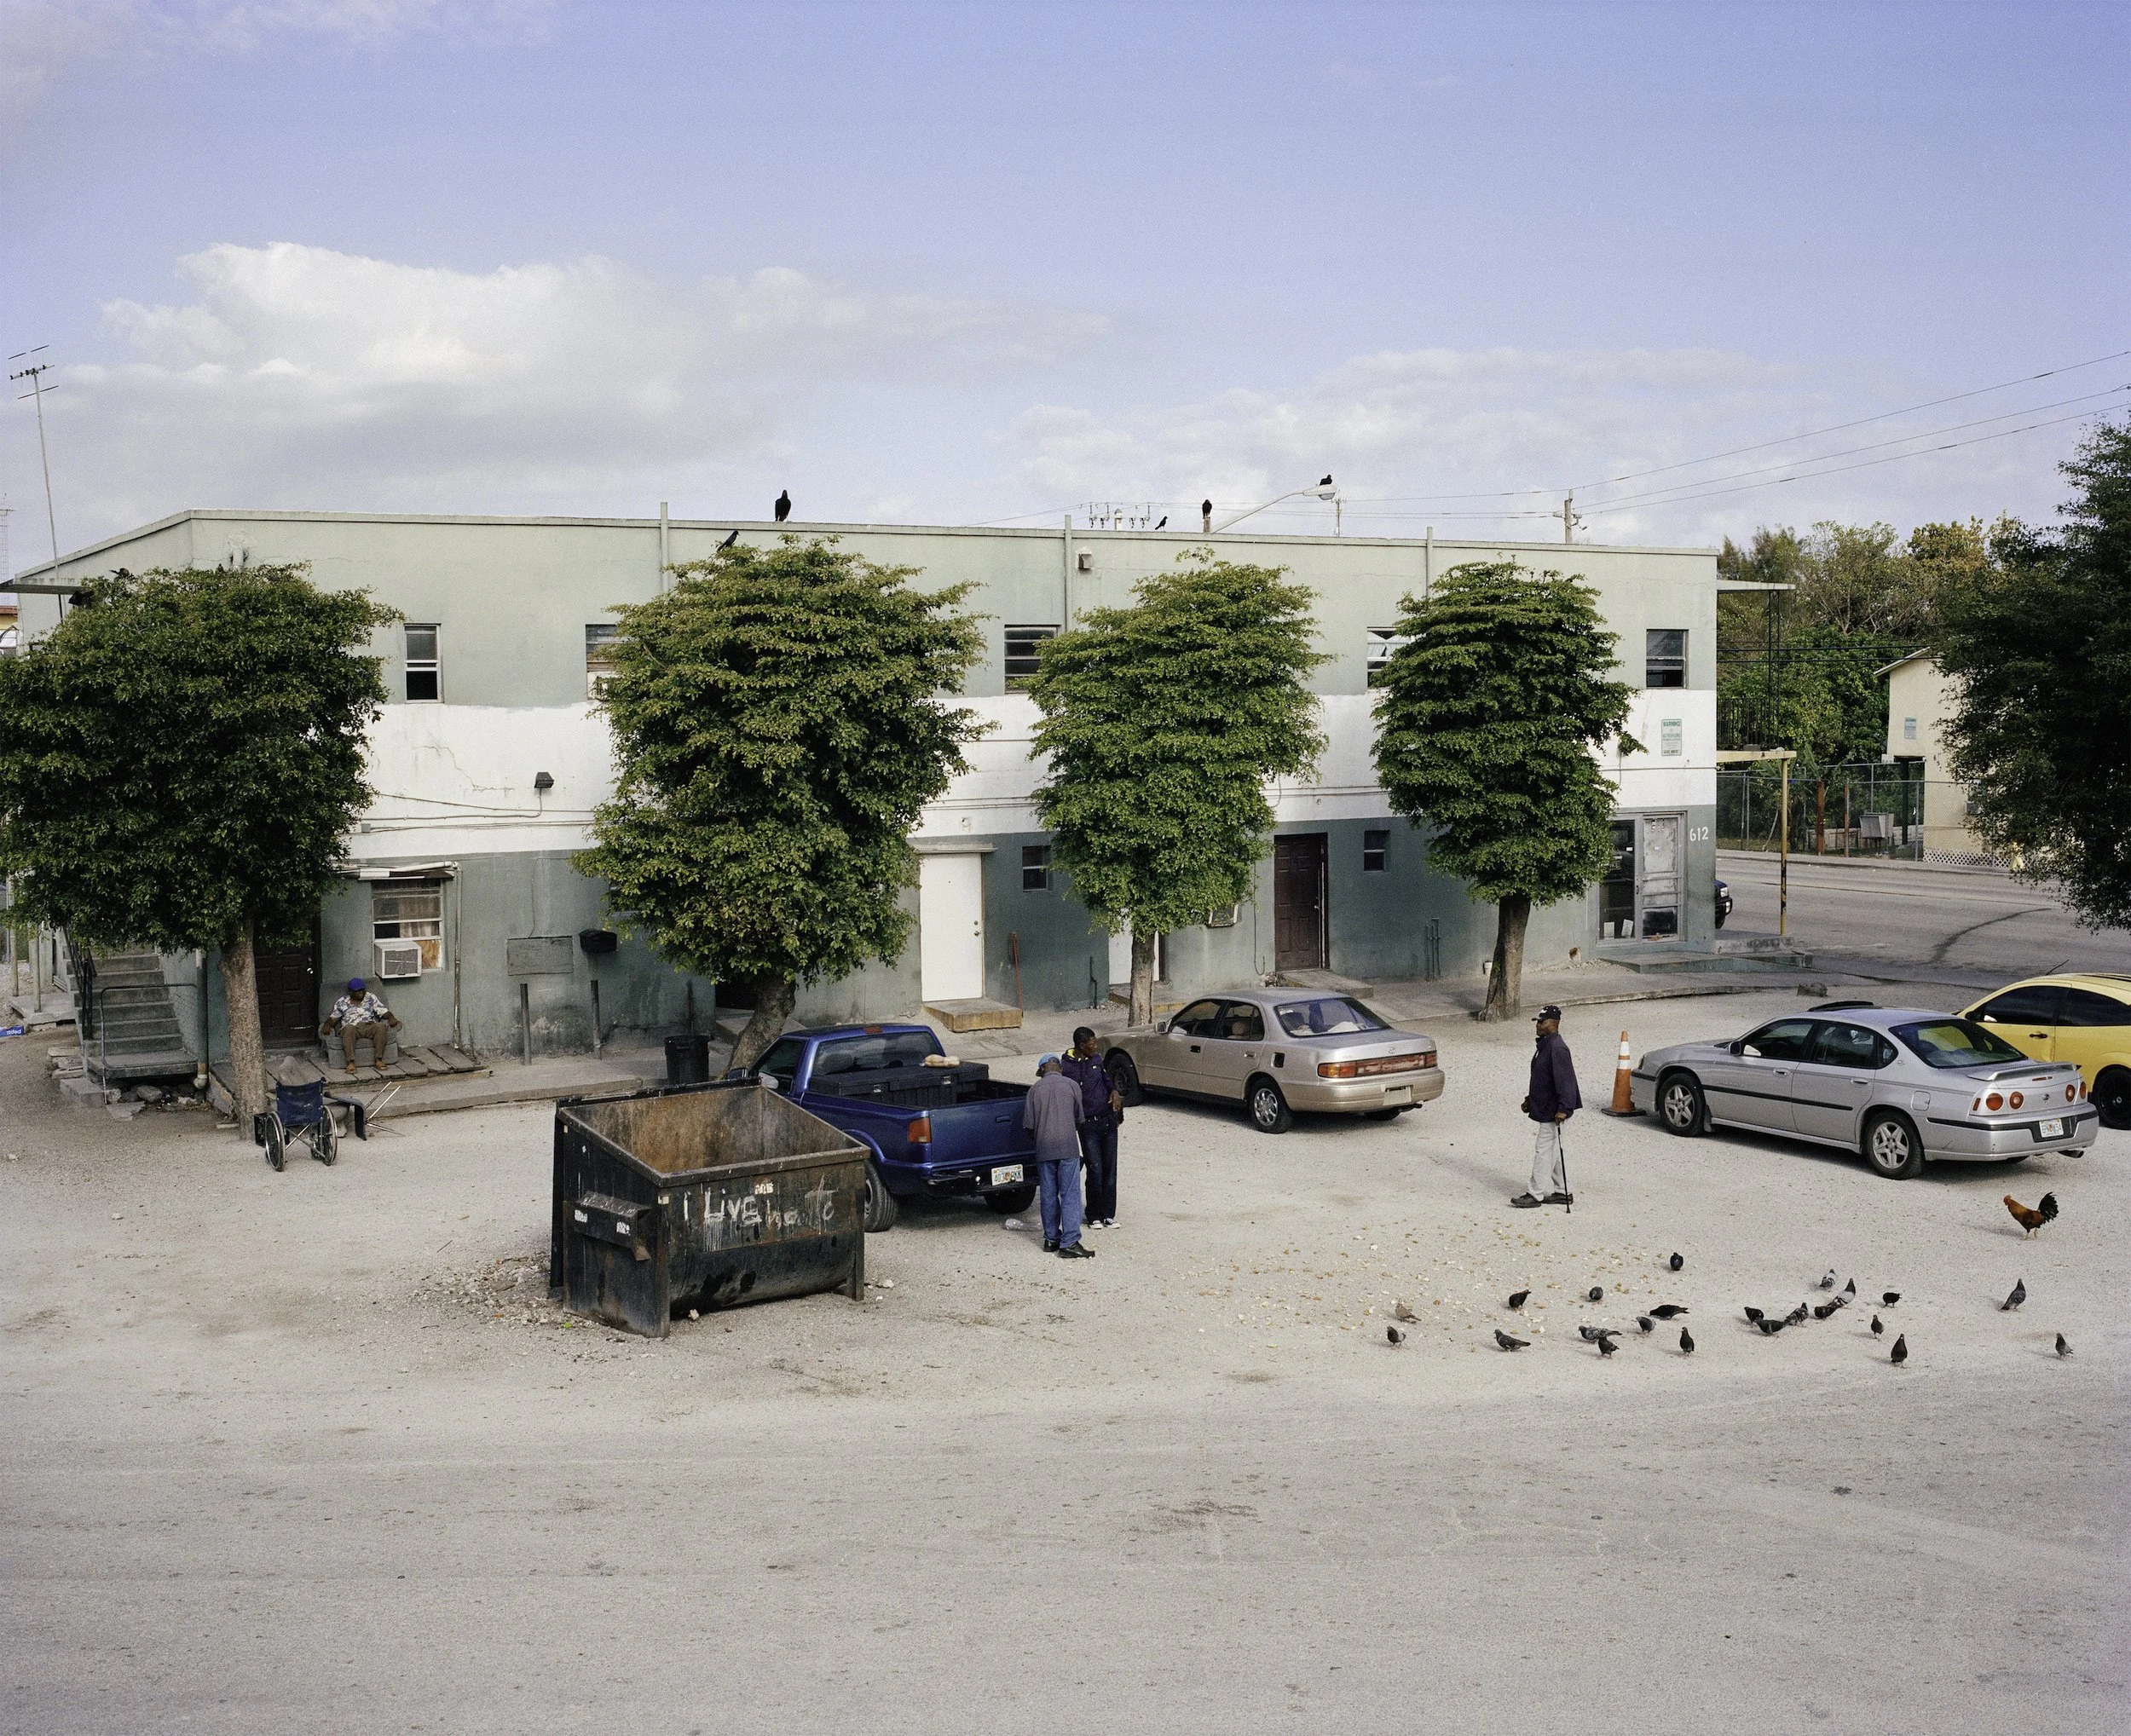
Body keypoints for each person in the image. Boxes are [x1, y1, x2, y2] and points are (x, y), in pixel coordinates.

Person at [1511, 1004, 1581, 1208]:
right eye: (1538, 1022)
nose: (1538, 1025)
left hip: (1554, 1110)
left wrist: (1565, 1109)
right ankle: (1563, 1191)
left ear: (1554, 1023)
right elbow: (1544, 1080)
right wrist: (1530, 1100)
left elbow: (1566, 1081)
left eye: (1542, 1022)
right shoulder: (1546, 1045)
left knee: (1544, 1150)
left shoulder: (1557, 1048)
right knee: (1553, 1151)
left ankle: (1535, 1194)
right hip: (1547, 1106)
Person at [1023, 1054, 1092, 1258]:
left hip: (1044, 1148)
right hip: (1068, 1147)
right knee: (1070, 1193)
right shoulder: (1071, 1086)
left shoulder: (1034, 1090)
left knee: (1048, 1193)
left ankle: (1051, 1239)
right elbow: (1079, 1118)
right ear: (1059, 1068)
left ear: (1042, 1069)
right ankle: (1069, 1242)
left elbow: (1029, 1125)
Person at [1059, 1025, 1123, 1228]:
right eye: (1092, 1044)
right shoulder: (1066, 1067)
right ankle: (1094, 1215)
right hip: (1088, 1125)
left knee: (1110, 1170)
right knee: (1095, 1169)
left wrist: (1114, 1091)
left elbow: (1106, 1079)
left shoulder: (1096, 1060)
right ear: (1081, 1045)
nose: (1095, 1047)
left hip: (1107, 1121)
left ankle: (1108, 1215)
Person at [321, 978, 401, 1076]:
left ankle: (378, 1060)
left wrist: (391, 1017)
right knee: (348, 1029)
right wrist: (327, 1024)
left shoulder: (370, 997)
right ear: (350, 992)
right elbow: (334, 1017)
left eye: (362, 990)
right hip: (352, 1028)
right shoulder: (342, 1001)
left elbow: (383, 1011)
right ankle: (350, 1063)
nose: (361, 993)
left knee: (381, 1026)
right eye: (357, 991)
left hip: (369, 1026)